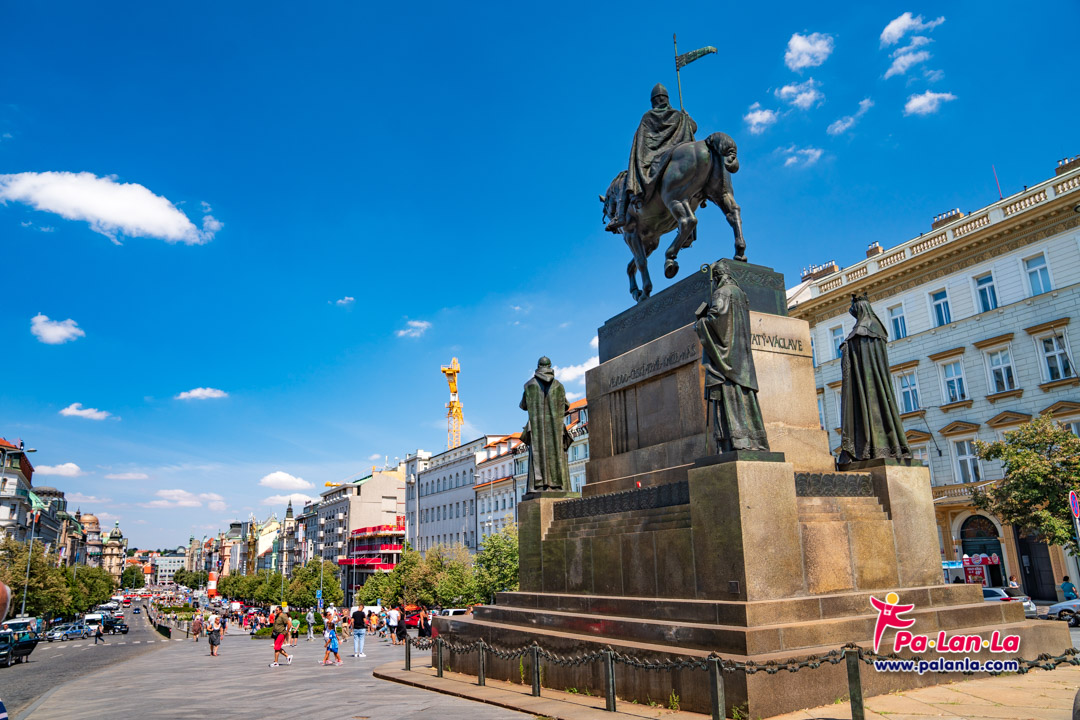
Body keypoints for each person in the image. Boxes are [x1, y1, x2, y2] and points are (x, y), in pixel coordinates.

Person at [694, 262, 769, 453]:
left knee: (728, 397)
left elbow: (716, 318)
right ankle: (754, 441)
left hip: (725, 360)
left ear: (717, 277)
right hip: (742, 359)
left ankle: (735, 443)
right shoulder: (741, 295)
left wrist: (700, 322)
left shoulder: (721, 293)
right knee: (745, 399)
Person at [606, 83, 697, 232]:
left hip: (654, 159)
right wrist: (687, 118)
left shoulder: (648, 116)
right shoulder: (679, 115)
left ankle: (621, 215)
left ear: (653, 101)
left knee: (626, 179)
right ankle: (689, 233)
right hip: (677, 156)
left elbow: (639, 144)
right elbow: (693, 128)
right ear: (666, 98)